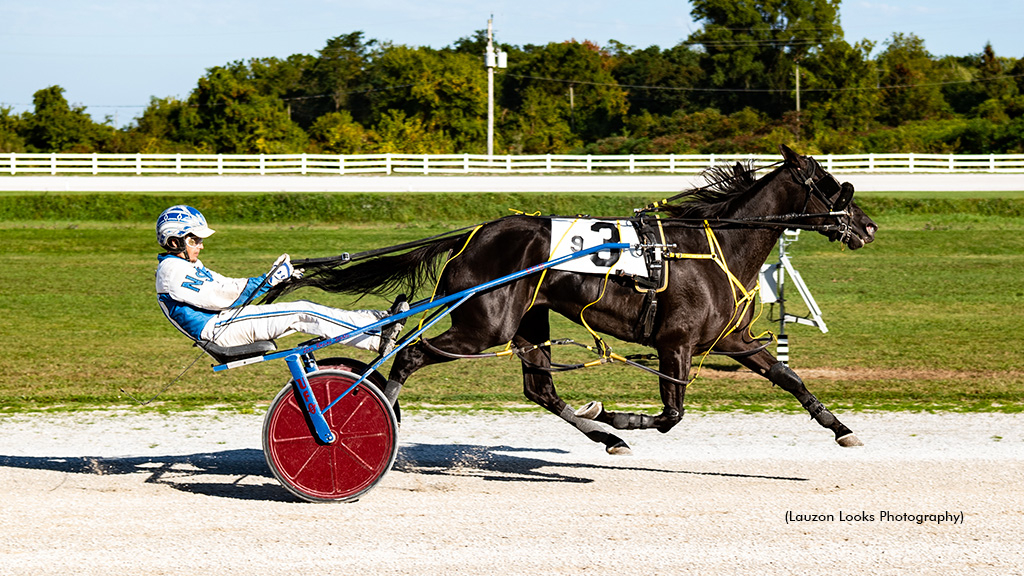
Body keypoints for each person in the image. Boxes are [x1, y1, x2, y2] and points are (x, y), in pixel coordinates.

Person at [154, 205, 408, 357]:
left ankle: (377, 321)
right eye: (193, 240)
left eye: (199, 240)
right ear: (174, 241)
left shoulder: (185, 265)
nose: (200, 245)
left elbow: (227, 284)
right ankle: (375, 339)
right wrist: (270, 279)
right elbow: (223, 296)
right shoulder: (171, 271)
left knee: (304, 308)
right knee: (301, 311)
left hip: (224, 322)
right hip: (219, 331)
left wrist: (272, 279)